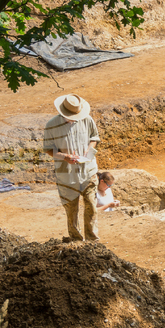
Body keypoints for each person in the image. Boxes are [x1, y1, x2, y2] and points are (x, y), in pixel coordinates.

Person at [43, 94, 101, 242]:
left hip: (88, 172)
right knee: (71, 210)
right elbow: (48, 149)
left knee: (92, 207)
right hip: (67, 176)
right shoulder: (51, 125)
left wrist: (89, 149)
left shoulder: (87, 119)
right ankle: (76, 241)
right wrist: (65, 157)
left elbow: (94, 137)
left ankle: (92, 240)